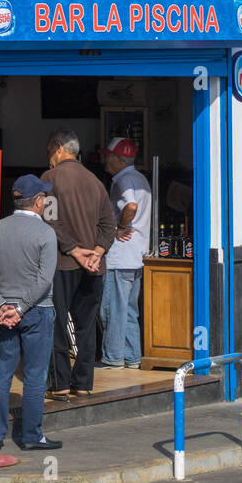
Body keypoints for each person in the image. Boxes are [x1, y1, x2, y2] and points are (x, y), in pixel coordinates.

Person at [41, 128, 116, 398]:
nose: (48, 157)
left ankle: (60, 383)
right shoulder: (96, 181)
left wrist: (74, 251)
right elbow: (110, 224)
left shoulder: (49, 179)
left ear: (59, 147)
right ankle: (83, 384)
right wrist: (96, 252)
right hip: (95, 267)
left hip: (63, 264)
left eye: (50, 150)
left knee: (57, 323)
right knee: (86, 327)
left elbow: (50, 220)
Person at [0, 175, 61, 450]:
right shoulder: (46, 233)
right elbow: (44, 280)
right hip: (37, 311)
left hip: (3, 313)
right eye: (44, 197)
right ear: (38, 201)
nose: (46, 200)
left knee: (2, 374)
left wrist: (2, 305)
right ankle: (32, 437)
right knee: (34, 376)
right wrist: (21, 308)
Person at [98, 137, 153, 369]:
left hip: (120, 257)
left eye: (108, 156)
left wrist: (120, 227)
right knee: (129, 310)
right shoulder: (140, 179)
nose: (105, 160)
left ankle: (113, 358)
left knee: (111, 309)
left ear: (119, 159)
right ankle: (132, 357)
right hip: (135, 256)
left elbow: (130, 205)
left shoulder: (124, 181)